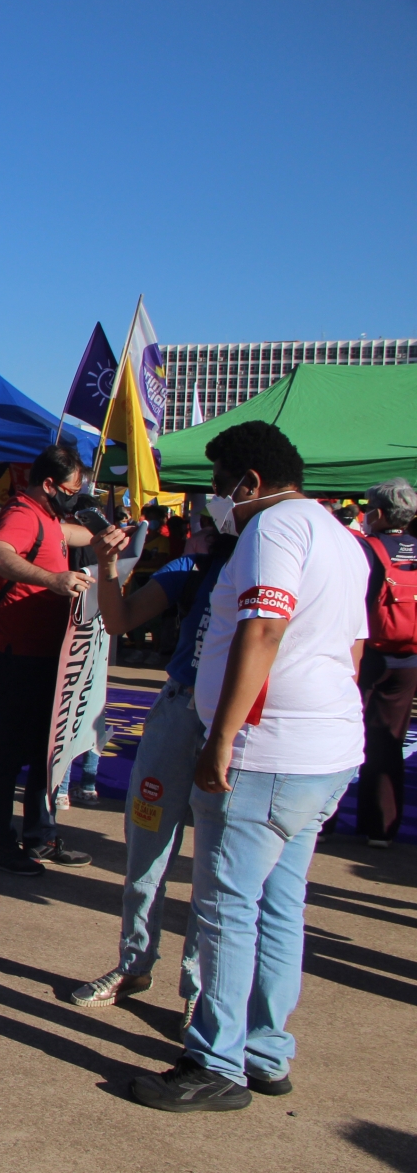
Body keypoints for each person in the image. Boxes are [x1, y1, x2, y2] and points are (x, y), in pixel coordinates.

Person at [130, 422, 367, 1112]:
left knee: (226, 907)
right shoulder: (340, 536)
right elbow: (353, 648)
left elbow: (263, 627)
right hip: (322, 748)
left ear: (250, 483)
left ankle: (215, 1060)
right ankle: (265, 1049)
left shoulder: (273, 528)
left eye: (219, 485)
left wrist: (223, 737)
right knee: (281, 903)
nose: (216, 500)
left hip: (269, 752)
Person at [69, 513, 236, 1015]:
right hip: (178, 710)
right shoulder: (195, 567)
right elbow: (119, 620)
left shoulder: (279, 572)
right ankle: (134, 962)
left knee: (216, 864)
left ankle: (199, 988)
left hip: (237, 721)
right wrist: (107, 564)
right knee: (147, 843)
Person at [0, 442, 101, 875]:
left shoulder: (47, 517)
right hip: (16, 655)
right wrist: (53, 579)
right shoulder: (23, 514)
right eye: (70, 490)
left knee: (48, 750)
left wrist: (109, 535)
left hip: (45, 655)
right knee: (10, 752)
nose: (74, 497)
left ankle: (40, 838)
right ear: (49, 484)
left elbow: (71, 534)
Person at [353, 478, 417, 848]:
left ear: (377, 512)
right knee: (389, 740)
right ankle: (381, 828)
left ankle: (323, 823)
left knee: (345, 731)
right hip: (409, 658)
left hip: (366, 652)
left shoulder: (365, 548)